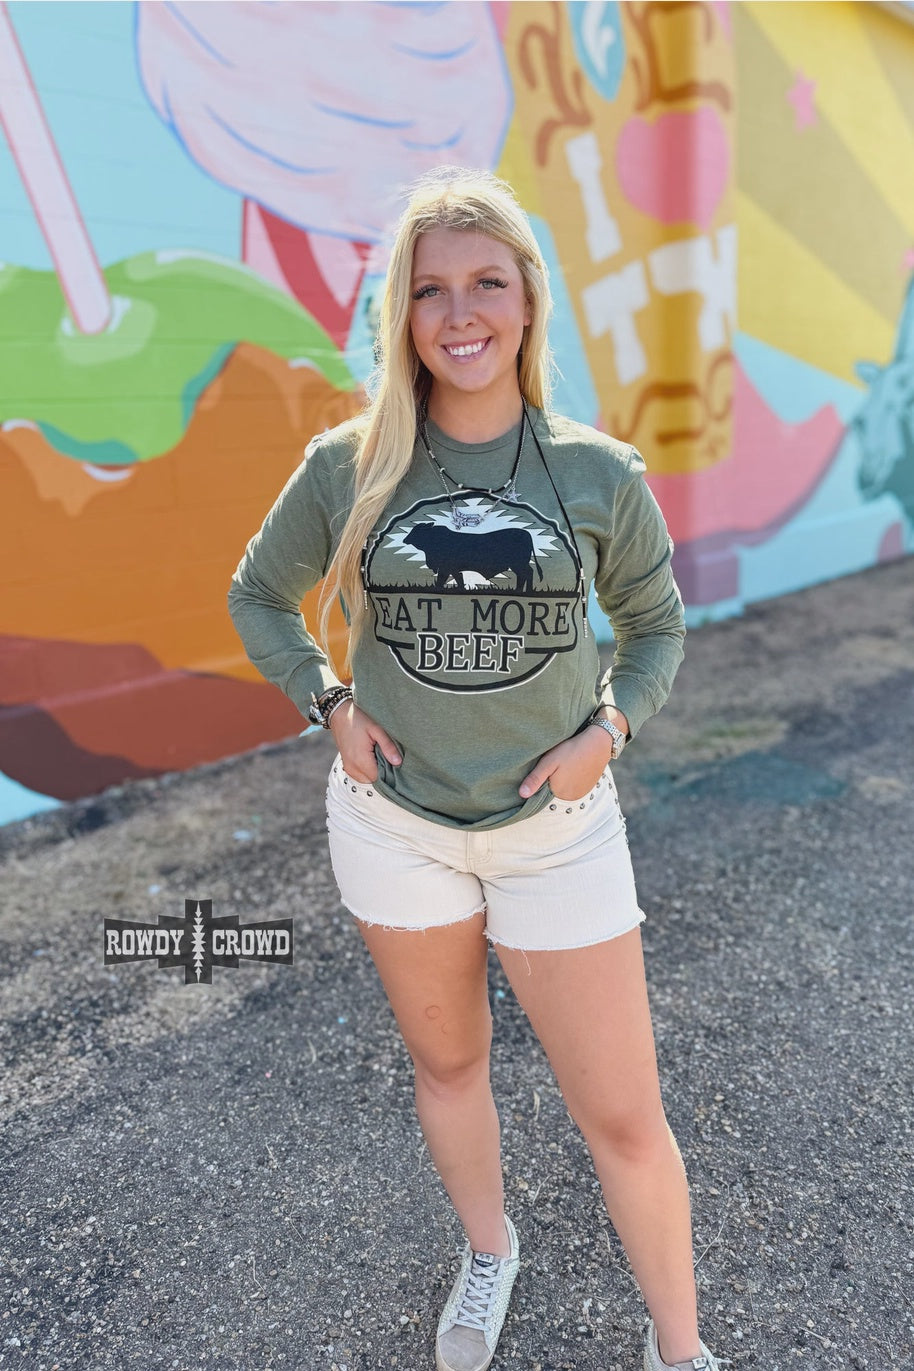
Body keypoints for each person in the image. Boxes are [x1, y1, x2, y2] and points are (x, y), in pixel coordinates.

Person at [228, 166, 722, 1371]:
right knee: (448, 1065)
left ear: (527, 301)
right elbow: (259, 596)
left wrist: (605, 735)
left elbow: (654, 629)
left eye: (486, 283)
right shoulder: (349, 467)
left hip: (554, 833)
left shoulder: (595, 474)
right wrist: (329, 706)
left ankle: (680, 1349)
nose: (459, 314)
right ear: (400, 314)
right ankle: (489, 1249)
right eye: (429, 289)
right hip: (392, 826)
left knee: (623, 1117)